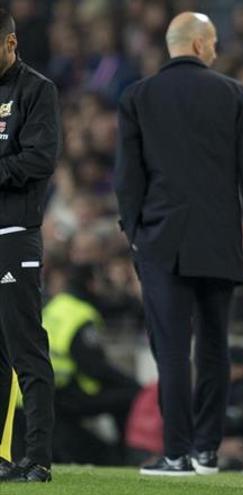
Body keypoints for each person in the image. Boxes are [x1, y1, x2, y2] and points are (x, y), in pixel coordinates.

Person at [113, 12, 243, 476]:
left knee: (172, 350)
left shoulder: (137, 97)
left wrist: (135, 235)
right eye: (215, 42)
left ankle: (177, 453)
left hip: (162, 240)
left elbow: (128, 178)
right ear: (201, 45)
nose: (217, 50)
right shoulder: (232, 94)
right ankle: (206, 452)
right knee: (214, 347)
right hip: (220, 241)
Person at [0, 7, 61, 483]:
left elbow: (38, 160)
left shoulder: (37, 90)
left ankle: (36, 457)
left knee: (26, 349)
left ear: (10, 43)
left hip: (14, 234)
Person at [44, 264, 141, 465]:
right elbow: (94, 367)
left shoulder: (56, 306)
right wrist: (132, 383)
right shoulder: (81, 314)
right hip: (67, 392)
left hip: (45, 391)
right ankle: (128, 456)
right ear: (92, 284)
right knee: (130, 395)